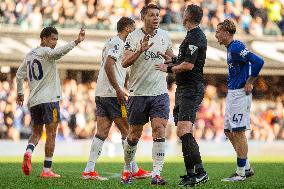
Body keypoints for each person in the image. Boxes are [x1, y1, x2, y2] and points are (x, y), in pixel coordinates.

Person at [81, 17, 150, 180]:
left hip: (102, 92)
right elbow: (108, 65)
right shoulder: (118, 43)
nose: (134, 31)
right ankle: (131, 169)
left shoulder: (111, 42)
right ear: (126, 28)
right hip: (112, 94)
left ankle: (89, 169)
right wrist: (119, 89)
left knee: (102, 132)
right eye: (133, 27)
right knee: (128, 130)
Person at [16, 26, 85, 177]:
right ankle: (46, 170)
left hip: (34, 101)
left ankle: (28, 152)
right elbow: (59, 53)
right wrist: (76, 42)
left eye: (56, 40)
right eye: (53, 39)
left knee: (36, 132)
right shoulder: (46, 52)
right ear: (44, 39)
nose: (54, 43)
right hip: (50, 100)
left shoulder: (29, 55)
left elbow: (19, 75)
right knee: (51, 134)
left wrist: (20, 93)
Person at [155, 4, 209, 187]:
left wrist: (169, 68)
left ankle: (196, 174)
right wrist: (172, 60)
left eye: (183, 12)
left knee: (183, 131)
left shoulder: (196, 36)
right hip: (183, 88)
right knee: (183, 131)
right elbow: (184, 61)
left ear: (188, 16)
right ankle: (195, 173)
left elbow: (189, 65)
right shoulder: (191, 36)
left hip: (191, 88)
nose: (181, 14)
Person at [121, 4, 174, 185]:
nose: (156, 18)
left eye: (158, 15)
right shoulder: (133, 37)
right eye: (152, 15)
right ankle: (128, 169)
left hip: (159, 93)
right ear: (143, 17)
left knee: (159, 129)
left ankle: (156, 174)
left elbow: (171, 59)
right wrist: (140, 50)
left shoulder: (165, 36)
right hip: (138, 93)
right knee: (134, 135)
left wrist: (170, 64)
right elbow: (124, 62)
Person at [215, 19, 264, 181]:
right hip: (233, 93)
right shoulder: (231, 49)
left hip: (240, 94)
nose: (216, 35)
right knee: (228, 131)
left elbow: (258, 61)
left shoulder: (236, 47)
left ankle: (240, 173)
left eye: (218, 32)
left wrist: (250, 81)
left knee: (238, 131)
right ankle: (247, 166)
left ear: (227, 33)